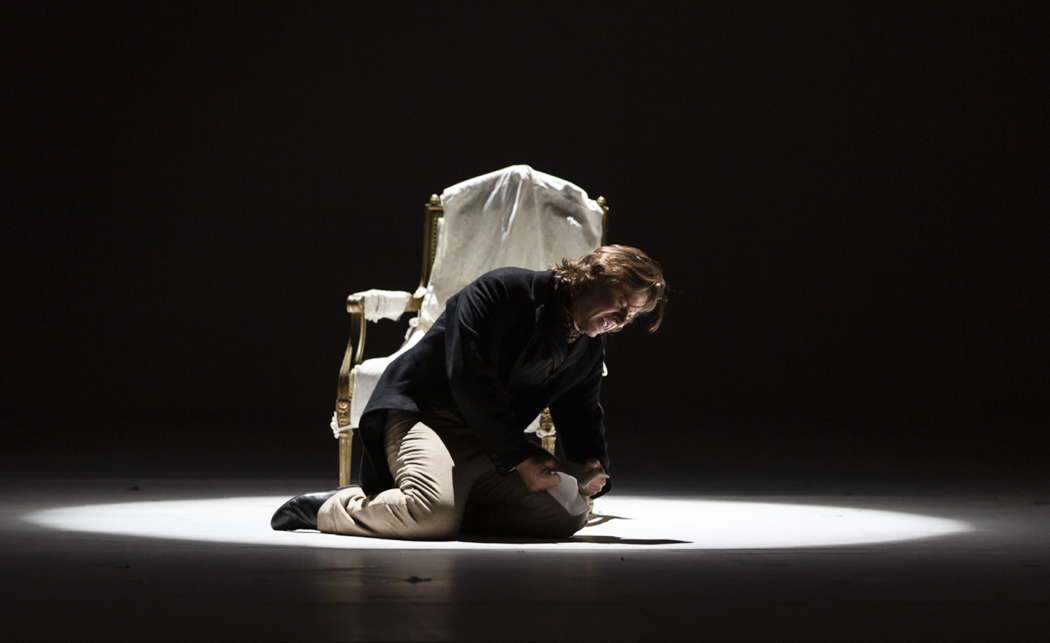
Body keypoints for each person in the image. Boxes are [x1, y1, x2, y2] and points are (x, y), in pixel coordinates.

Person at [271, 244, 668, 539]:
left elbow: (581, 411)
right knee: (428, 515)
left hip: (491, 442)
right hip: (426, 417)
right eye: (621, 304)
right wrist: (519, 458)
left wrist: (589, 465)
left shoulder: (588, 345)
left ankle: (454, 504)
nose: (620, 321)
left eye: (631, 316)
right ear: (593, 275)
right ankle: (333, 507)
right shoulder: (503, 290)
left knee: (566, 516)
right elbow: (468, 377)